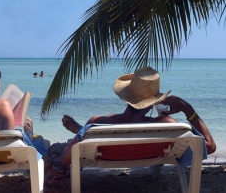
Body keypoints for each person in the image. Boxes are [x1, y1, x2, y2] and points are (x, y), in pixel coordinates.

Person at [60, 66, 216, 165]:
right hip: (151, 154)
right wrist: (187, 108)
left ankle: (80, 132)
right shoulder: (167, 124)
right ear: (155, 101)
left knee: (86, 134)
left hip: (107, 154)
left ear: (126, 97)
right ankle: (80, 131)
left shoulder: (97, 122)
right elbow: (210, 147)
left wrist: (84, 130)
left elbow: (66, 159)